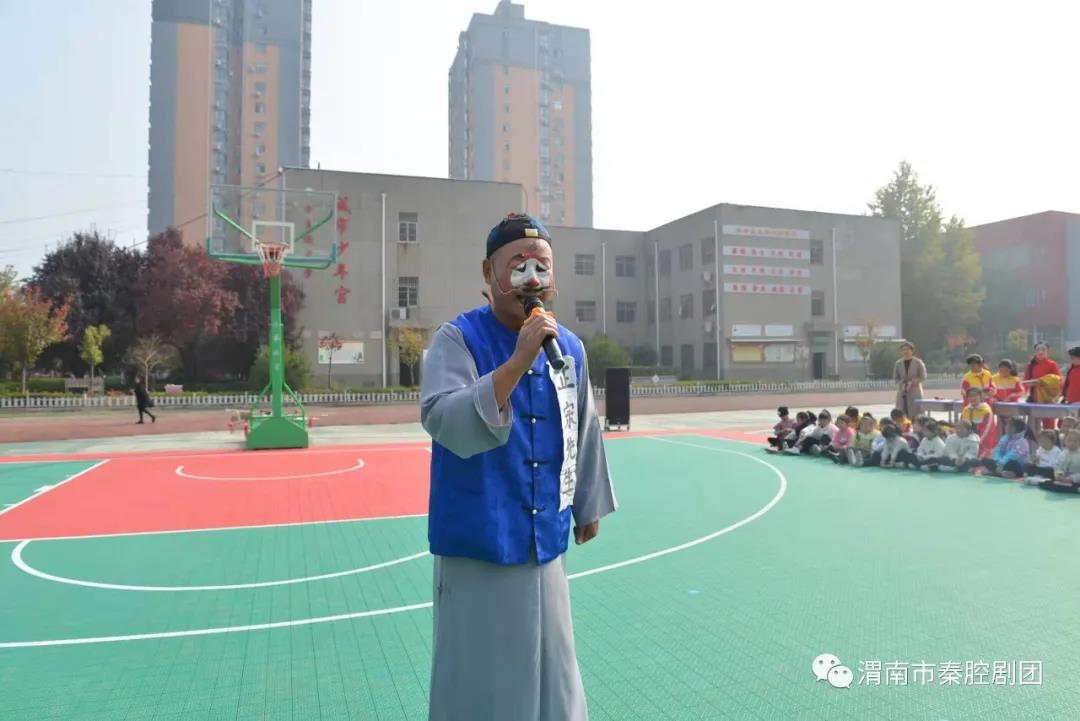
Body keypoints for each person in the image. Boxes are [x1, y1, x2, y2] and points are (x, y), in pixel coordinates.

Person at [419, 212, 617, 721]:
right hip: (480, 535)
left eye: (542, 267)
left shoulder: (567, 346)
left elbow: (582, 423)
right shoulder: (457, 338)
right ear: (489, 272)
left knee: (554, 664)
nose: (532, 279)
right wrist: (516, 361)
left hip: (544, 534)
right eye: (518, 266)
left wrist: (587, 503)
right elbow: (442, 417)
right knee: (481, 676)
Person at [1022, 342, 1062, 430]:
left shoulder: (1052, 364)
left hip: (1048, 399)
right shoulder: (1030, 366)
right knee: (1032, 427)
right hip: (1034, 399)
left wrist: (1042, 382)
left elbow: (1058, 381)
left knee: (1049, 427)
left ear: (1048, 352)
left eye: (1043, 349)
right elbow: (1025, 383)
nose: (1041, 352)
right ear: (1034, 352)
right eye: (1038, 349)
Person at [893, 342, 927, 420]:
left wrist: (912, 382)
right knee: (901, 412)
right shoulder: (898, 363)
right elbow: (896, 378)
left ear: (912, 351)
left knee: (916, 413)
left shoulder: (918, 362)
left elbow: (923, 377)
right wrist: (902, 383)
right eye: (903, 350)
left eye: (908, 349)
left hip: (915, 391)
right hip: (902, 392)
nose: (906, 351)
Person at [960, 387, 996, 458]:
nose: (972, 398)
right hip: (966, 442)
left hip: (983, 444)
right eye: (970, 396)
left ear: (981, 397)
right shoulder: (966, 410)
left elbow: (987, 431)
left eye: (975, 395)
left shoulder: (986, 411)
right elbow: (960, 426)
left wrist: (976, 442)